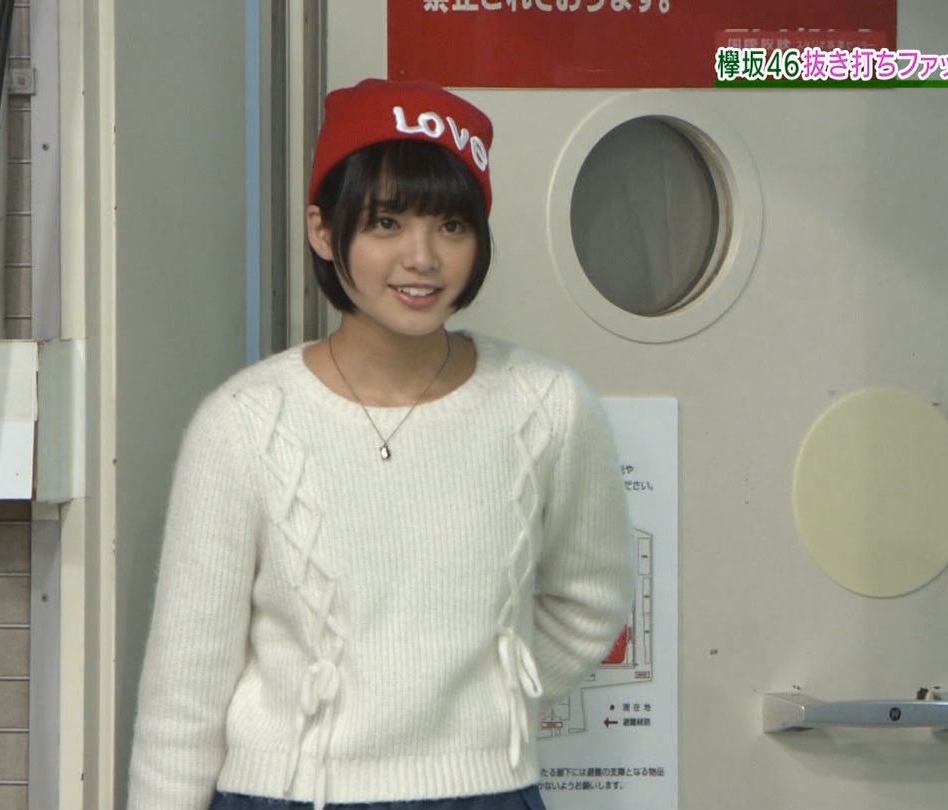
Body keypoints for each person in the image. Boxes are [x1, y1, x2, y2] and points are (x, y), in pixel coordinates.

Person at [127, 78, 634, 810]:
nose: (421, 258)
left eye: (451, 226)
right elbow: (184, 693)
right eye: (387, 222)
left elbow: (592, 600)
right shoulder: (244, 421)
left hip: (484, 793)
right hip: (286, 794)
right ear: (323, 230)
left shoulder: (547, 406)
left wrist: (479, 711)